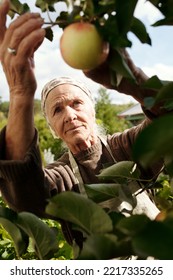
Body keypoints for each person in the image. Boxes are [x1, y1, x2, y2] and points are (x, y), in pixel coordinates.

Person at [0, 0, 165, 245]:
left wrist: (134, 81)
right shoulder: (61, 177)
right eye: (57, 110)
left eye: (76, 103)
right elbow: (27, 198)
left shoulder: (127, 148)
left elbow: (167, 124)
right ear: (53, 129)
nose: (69, 115)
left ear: (93, 111)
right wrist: (21, 92)